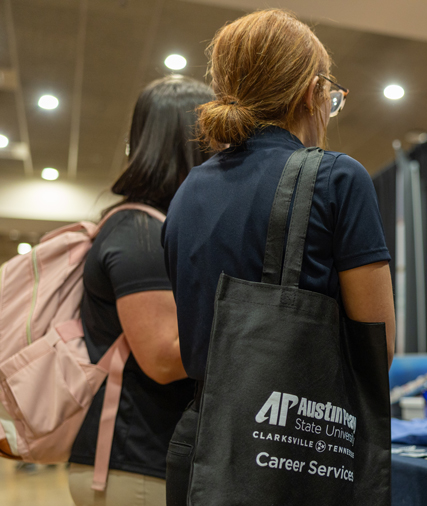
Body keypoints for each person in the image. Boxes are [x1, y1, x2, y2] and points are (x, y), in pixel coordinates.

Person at [161, 9, 395, 504]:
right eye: (331, 97)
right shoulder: (338, 178)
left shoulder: (188, 192)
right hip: (292, 452)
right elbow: (378, 349)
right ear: (312, 92)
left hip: (201, 446)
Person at [67, 75, 213, 505]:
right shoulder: (140, 234)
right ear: (191, 142)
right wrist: (253, 331)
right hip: (133, 467)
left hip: (140, 464)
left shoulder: (156, 228)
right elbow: (164, 359)